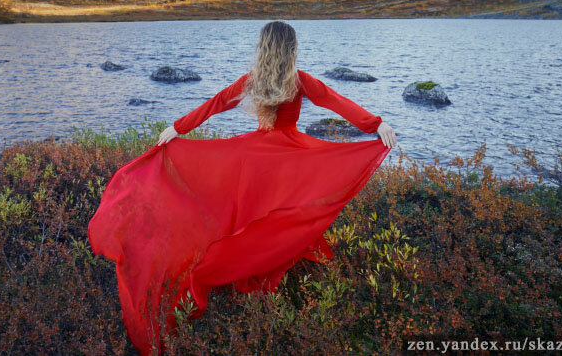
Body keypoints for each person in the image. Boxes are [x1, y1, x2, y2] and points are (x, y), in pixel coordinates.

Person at [87, 21, 396, 354]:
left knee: (250, 214)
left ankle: (243, 264)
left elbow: (216, 103)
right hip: (287, 158)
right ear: (291, 49)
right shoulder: (300, 79)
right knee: (283, 213)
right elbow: (338, 102)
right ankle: (262, 263)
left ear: (262, 48)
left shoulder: (252, 81)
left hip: (253, 160)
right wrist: (375, 124)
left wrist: (178, 128)